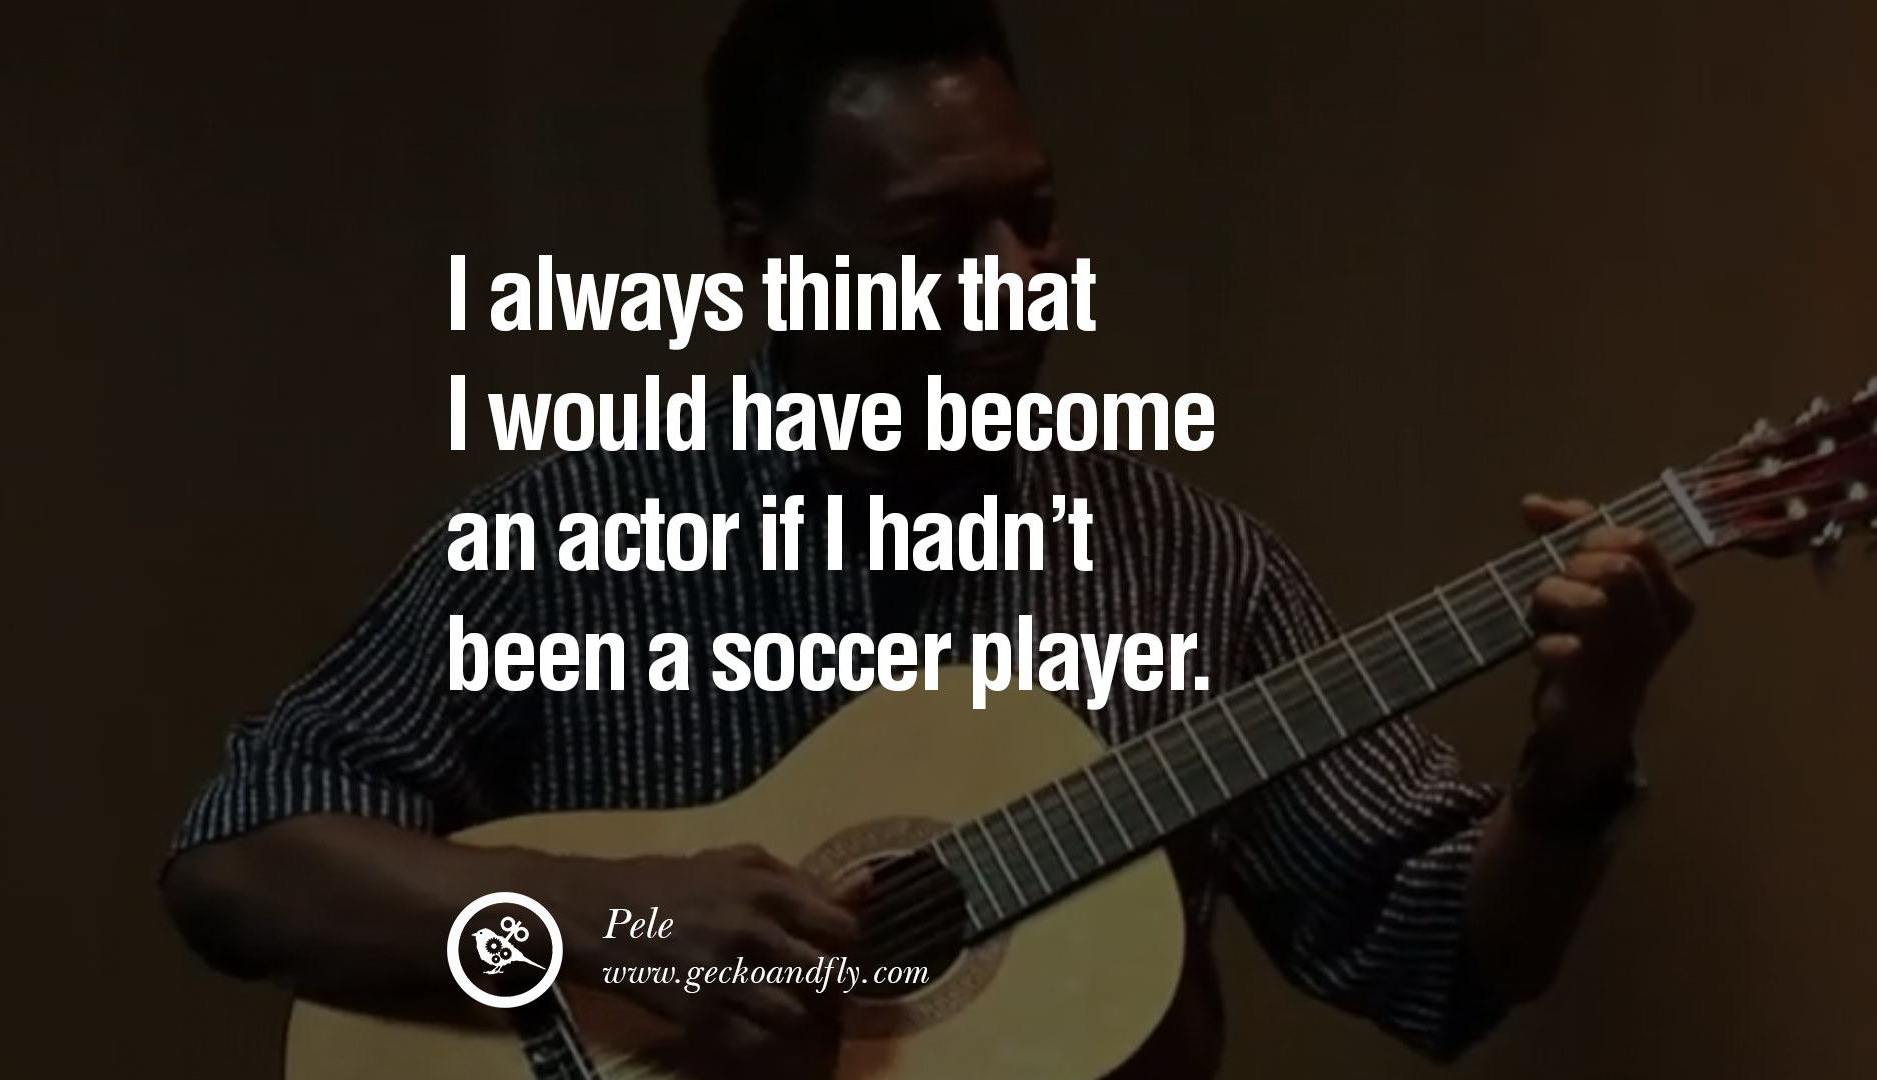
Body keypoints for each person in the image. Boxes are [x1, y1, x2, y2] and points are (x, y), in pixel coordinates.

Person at [160, 1, 1694, 1077]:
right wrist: (621, 920)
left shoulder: (1195, 570)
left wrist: (1577, 757)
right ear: (763, 259)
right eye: (939, 240)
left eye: (1037, 214)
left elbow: (1446, 963)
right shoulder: (579, 534)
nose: (1021, 275)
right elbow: (240, 859)